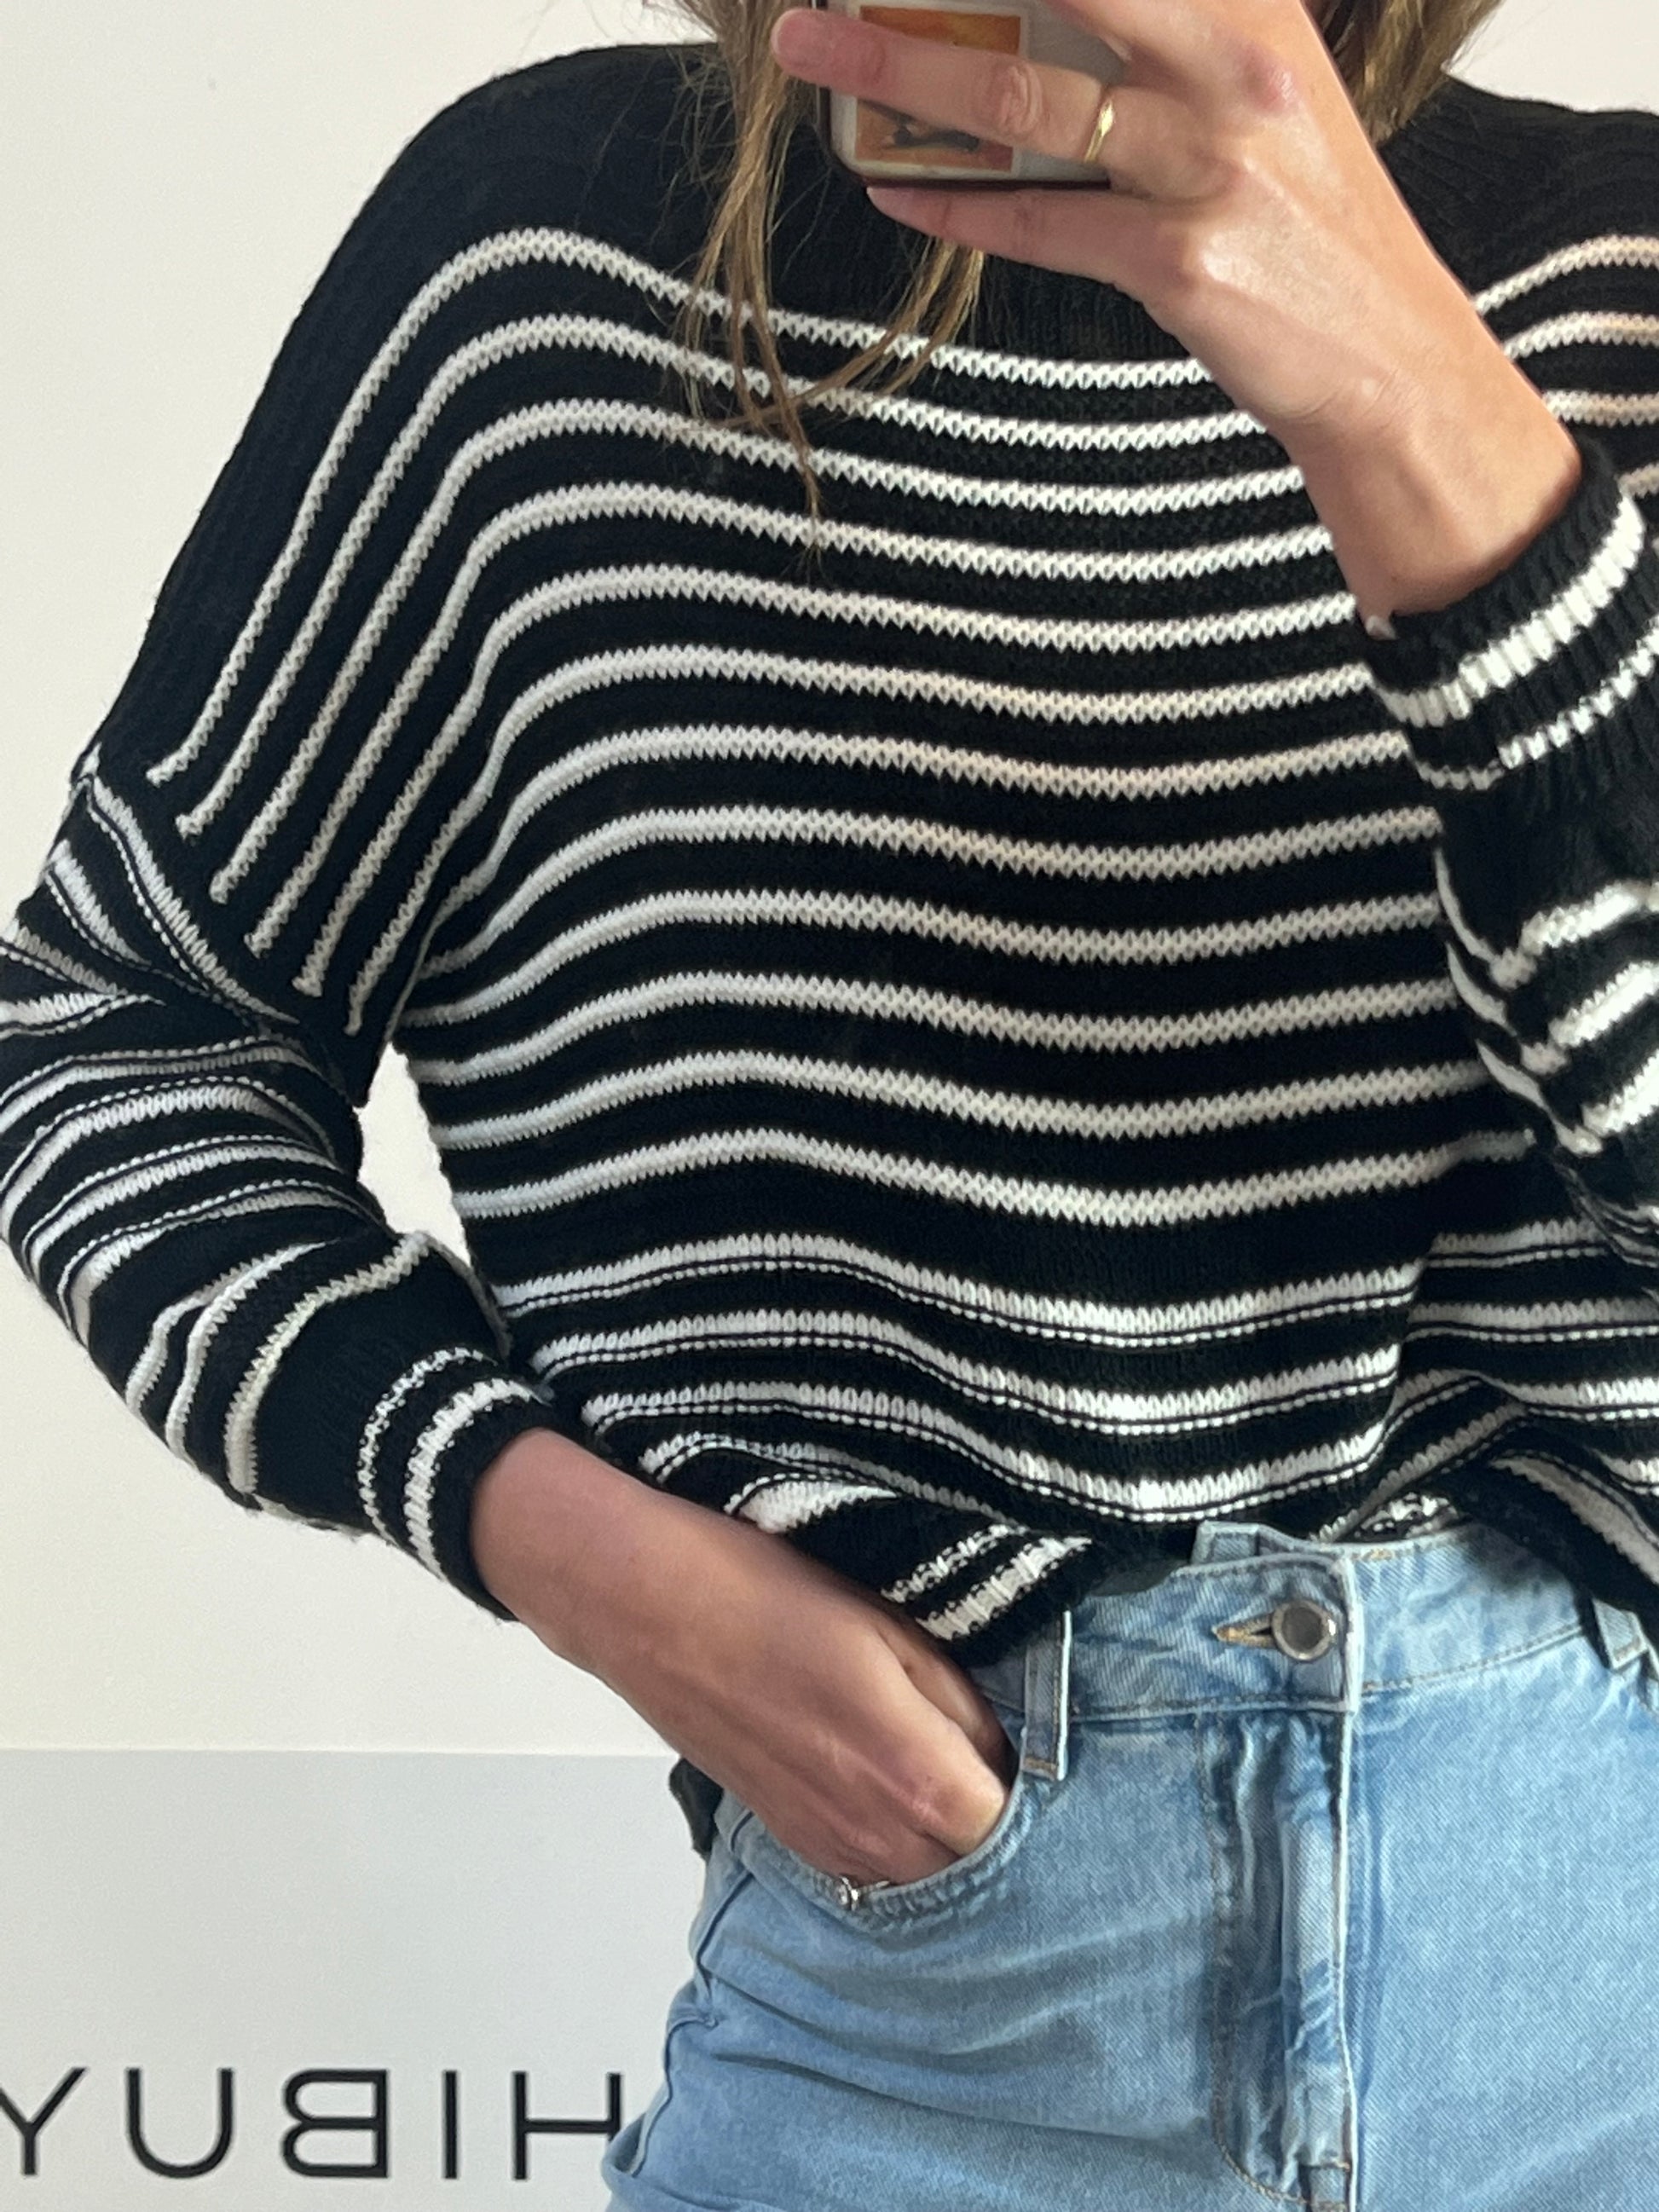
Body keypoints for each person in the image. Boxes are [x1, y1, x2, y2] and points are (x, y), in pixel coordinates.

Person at [3, 0, 1659, 2203]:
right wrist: (567, 1542)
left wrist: (1427, 419)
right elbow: (121, 1028)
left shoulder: (1609, 276)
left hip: (1604, 1947)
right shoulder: (548, 261)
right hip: (932, 1982)